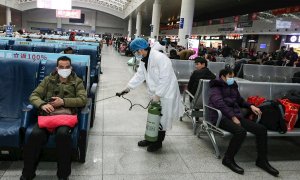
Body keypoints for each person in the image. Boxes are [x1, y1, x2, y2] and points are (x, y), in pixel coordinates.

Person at [21, 56, 87, 180]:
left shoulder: (77, 81)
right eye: (61, 67)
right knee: (35, 135)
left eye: (67, 67)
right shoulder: (48, 80)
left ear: (71, 68)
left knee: (63, 135)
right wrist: (42, 104)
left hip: (65, 117)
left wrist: (63, 101)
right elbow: (34, 95)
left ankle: (63, 175)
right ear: (57, 68)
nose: (64, 69)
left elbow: (83, 99)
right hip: (48, 116)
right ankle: (28, 173)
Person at [208, 68, 279, 177]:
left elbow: (240, 100)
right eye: (230, 77)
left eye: (233, 77)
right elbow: (219, 104)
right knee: (240, 132)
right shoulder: (215, 86)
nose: (232, 79)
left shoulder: (232, 85)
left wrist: (251, 106)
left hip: (235, 115)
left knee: (261, 129)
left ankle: (262, 160)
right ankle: (228, 159)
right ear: (222, 77)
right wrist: (232, 117)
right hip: (220, 117)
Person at [118, 38, 183, 152]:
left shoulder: (160, 58)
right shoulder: (144, 60)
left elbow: (165, 78)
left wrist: (158, 95)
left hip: (166, 93)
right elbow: (140, 75)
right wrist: (128, 88)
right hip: (156, 93)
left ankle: (158, 142)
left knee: (162, 119)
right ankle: (150, 138)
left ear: (141, 49)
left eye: (135, 51)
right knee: (154, 117)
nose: (135, 54)